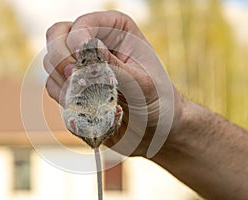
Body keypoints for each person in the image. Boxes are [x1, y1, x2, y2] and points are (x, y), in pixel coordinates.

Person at [44, 11, 248, 200]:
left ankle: (100, 120)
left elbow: (111, 83)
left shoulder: (106, 72)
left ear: (105, 58)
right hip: (90, 113)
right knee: (78, 109)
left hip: (103, 111)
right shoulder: (80, 74)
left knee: (98, 106)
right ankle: (82, 122)